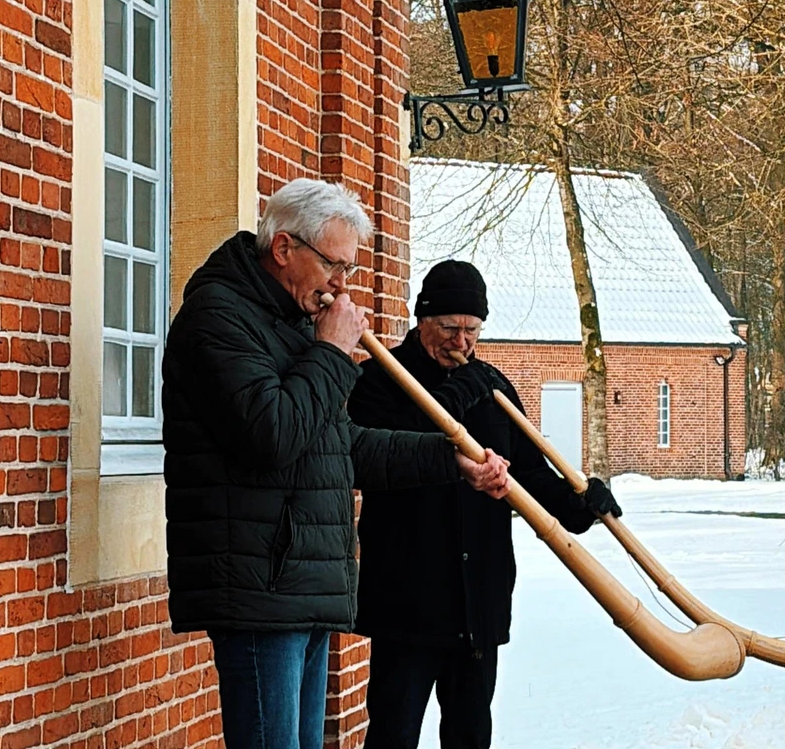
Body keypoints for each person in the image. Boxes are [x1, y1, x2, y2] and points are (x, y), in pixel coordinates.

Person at [161, 181, 510, 749]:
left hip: (305, 581)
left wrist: (453, 461)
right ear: (282, 249)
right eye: (333, 265)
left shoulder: (290, 322)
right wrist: (329, 352)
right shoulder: (218, 319)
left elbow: (344, 448)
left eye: (347, 268)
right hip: (260, 589)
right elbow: (273, 434)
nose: (341, 284)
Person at [347, 260, 622, 749]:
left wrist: (582, 504)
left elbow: (531, 473)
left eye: (472, 330)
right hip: (407, 601)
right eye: (450, 328)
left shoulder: (492, 387)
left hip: (479, 600)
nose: (462, 342)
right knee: (393, 733)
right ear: (421, 320)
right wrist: (457, 393)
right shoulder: (378, 381)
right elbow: (383, 453)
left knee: (471, 735)